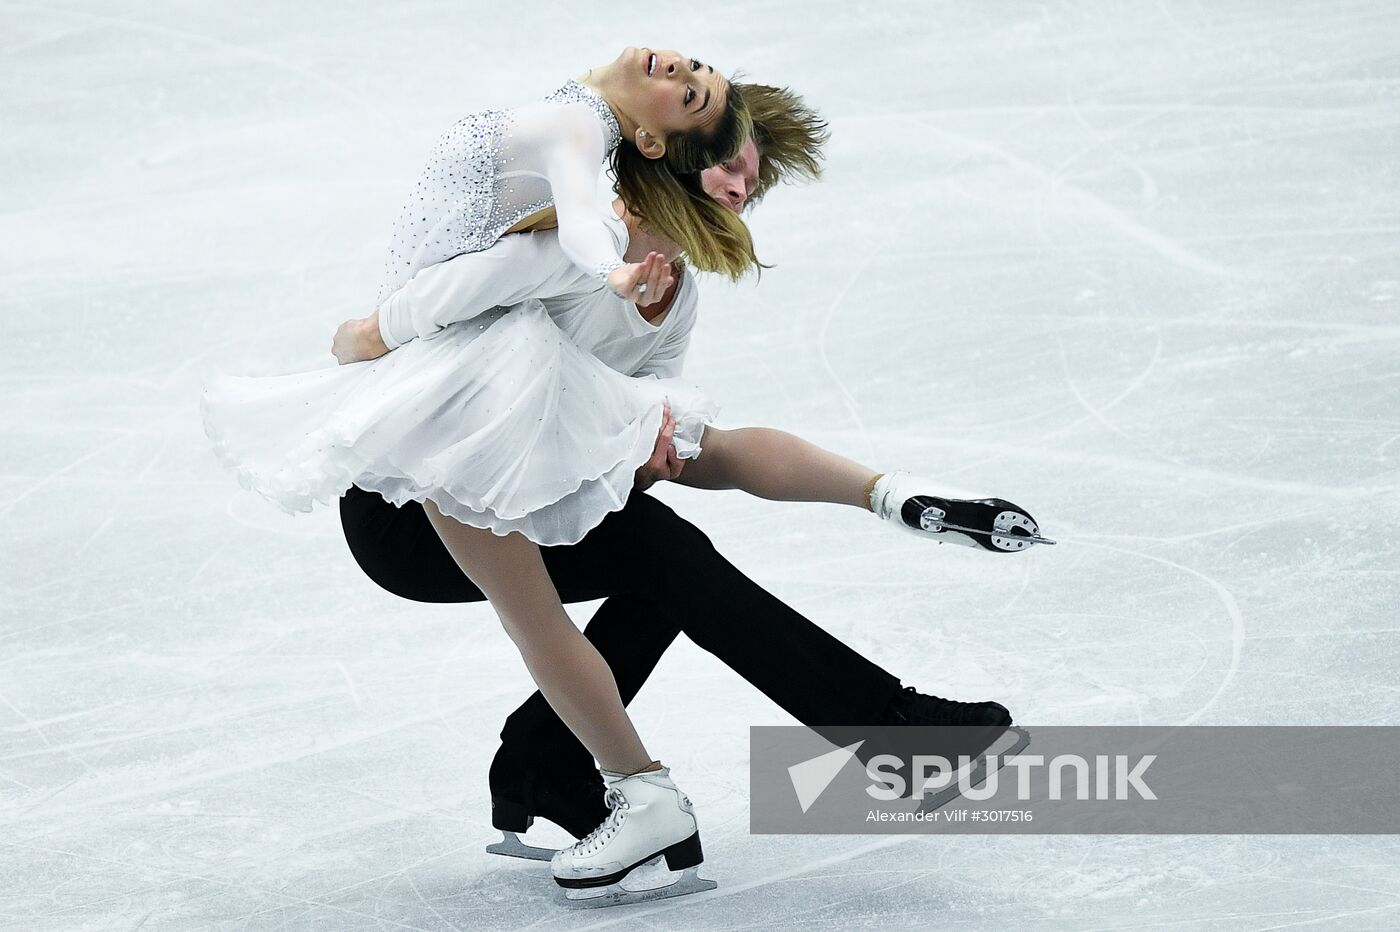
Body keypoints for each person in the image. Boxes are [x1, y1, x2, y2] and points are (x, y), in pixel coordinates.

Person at [330, 91, 1049, 897]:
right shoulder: (562, 255)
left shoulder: (673, 299)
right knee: (660, 554)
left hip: (528, 496)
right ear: (673, 158)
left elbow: (701, 450)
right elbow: (390, 338)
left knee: (669, 558)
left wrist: (888, 494)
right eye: (735, 155)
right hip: (415, 504)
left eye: (757, 172)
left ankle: (548, 763)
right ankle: (848, 742)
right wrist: (364, 341)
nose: (749, 180)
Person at [202, 49, 770, 901]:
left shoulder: (583, 139)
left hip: (462, 400)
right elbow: (552, 236)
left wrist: (372, 333)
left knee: (562, 608)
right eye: (693, 70)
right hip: (456, 399)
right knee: (557, 610)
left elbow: (567, 230)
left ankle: (631, 787)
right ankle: (628, 786)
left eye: (689, 93)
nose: (676, 64)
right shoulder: (585, 139)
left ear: (654, 139)